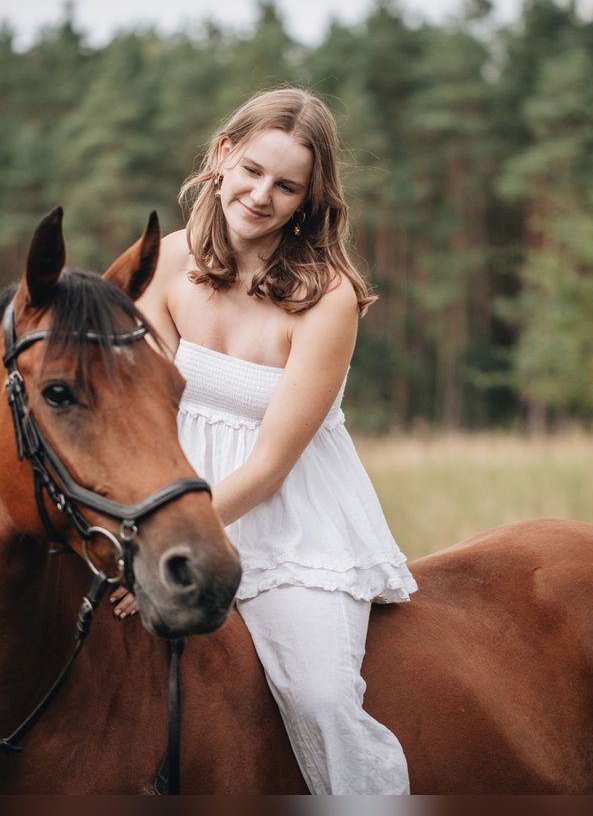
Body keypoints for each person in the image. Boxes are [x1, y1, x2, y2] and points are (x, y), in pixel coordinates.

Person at [110, 87, 417, 794]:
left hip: (287, 524)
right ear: (222, 154)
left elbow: (273, 462)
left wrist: (166, 539)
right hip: (171, 499)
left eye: (287, 186)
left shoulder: (326, 295)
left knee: (319, 696)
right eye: (251, 170)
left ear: (309, 199)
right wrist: (137, 530)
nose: (260, 195)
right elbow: (139, 413)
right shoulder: (162, 262)